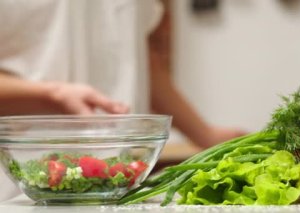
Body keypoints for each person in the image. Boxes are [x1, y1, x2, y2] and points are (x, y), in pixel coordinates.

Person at [0, 0, 246, 201]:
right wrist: (51, 93)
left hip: (123, 187)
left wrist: (206, 135)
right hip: (19, 190)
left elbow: (139, 59)